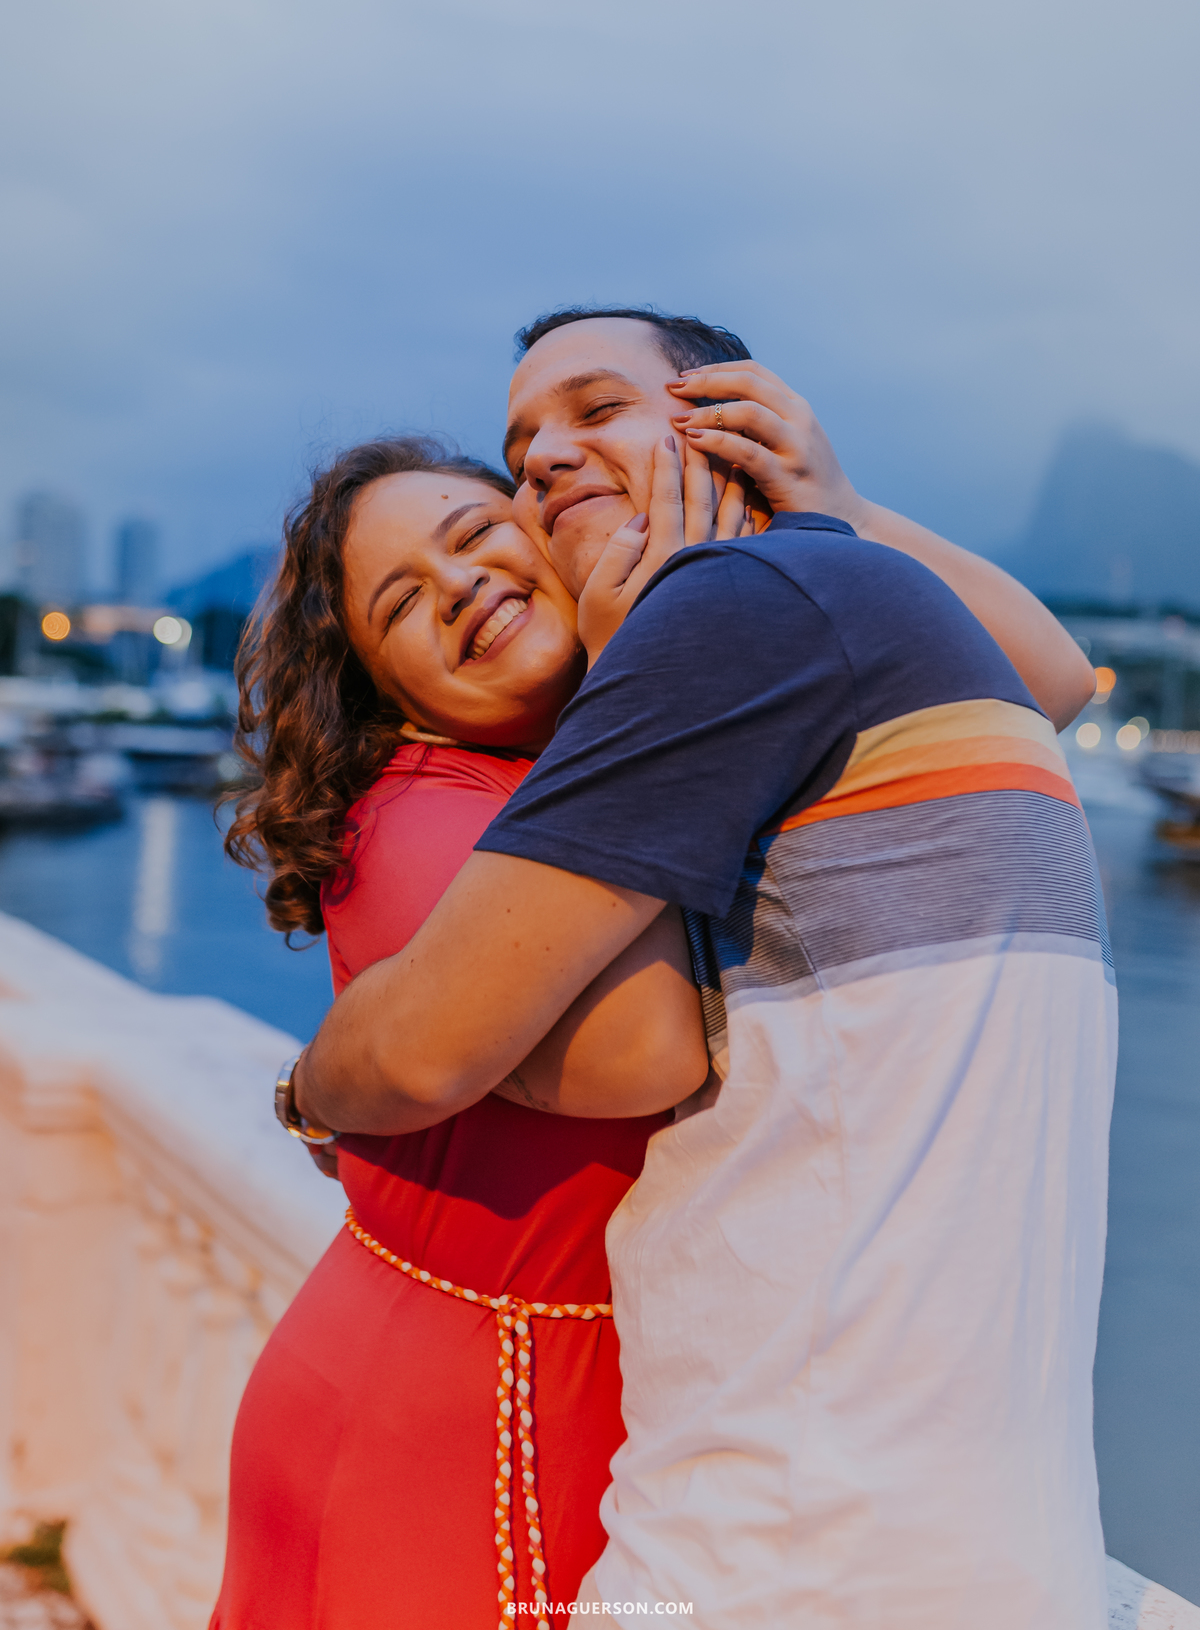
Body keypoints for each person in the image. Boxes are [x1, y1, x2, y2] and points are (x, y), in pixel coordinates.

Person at [294, 310, 1109, 1628]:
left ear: (732, 414)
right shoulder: (851, 599)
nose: (545, 459)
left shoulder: (721, 619)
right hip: (951, 1513)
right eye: (523, 447)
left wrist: (308, 1082)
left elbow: (432, 1050)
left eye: (597, 409)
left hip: (783, 1529)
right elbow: (1054, 679)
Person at [210, 439, 713, 1630]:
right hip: (462, 1430)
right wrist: (653, 668)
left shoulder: (535, 779)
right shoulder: (422, 820)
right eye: (400, 602)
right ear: (392, 697)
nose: (458, 582)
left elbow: (1041, 680)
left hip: (516, 1398)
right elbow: (648, 1048)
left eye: (475, 532)